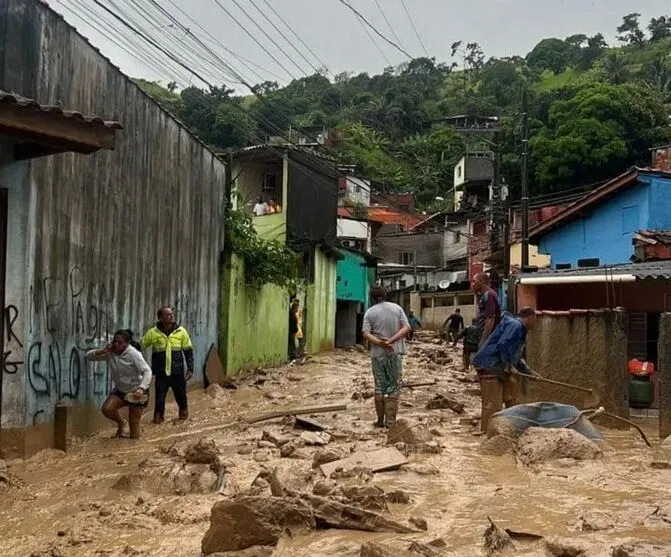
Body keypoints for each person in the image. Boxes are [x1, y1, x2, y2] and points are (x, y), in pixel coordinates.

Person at [472, 307, 538, 432]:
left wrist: (529, 372)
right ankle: (487, 434)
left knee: (511, 398)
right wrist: (509, 365)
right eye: (535, 319)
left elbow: (516, 356)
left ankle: (510, 429)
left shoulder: (519, 328)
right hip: (489, 365)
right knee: (492, 404)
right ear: (531, 317)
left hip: (499, 367)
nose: (535, 323)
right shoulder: (515, 325)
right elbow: (503, 344)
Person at [86, 329, 152, 439]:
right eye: (115, 341)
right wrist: (102, 351)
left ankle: (133, 451)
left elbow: (147, 371)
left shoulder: (134, 354)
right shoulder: (110, 352)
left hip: (137, 391)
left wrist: (141, 389)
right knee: (107, 409)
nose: (116, 344)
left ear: (127, 343)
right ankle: (121, 423)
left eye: (120, 342)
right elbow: (89, 357)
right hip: (121, 390)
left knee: (134, 428)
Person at [362, 286, 412, 428]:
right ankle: (390, 422)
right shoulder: (397, 308)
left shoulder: (369, 312)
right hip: (395, 352)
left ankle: (379, 421)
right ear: (386, 295)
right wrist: (391, 341)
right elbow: (406, 327)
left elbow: (366, 333)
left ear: (372, 297)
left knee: (379, 386)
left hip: (377, 354)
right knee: (393, 386)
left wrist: (380, 343)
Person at [141, 307, 195, 423]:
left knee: (181, 397)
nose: (171, 316)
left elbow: (188, 351)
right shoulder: (153, 333)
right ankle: (158, 419)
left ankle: (183, 415)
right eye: (168, 315)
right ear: (160, 317)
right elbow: (141, 346)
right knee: (159, 399)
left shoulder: (181, 331)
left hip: (177, 372)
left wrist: (190, 368)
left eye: (171, 314)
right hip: (161, 373)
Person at [472, 272, 501, 348]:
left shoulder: (489, 295)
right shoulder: (485, 295)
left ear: (481, 282)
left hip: (489, 337)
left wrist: (483, 340)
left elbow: (490, 319)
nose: (472, 284)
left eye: (474, 281)